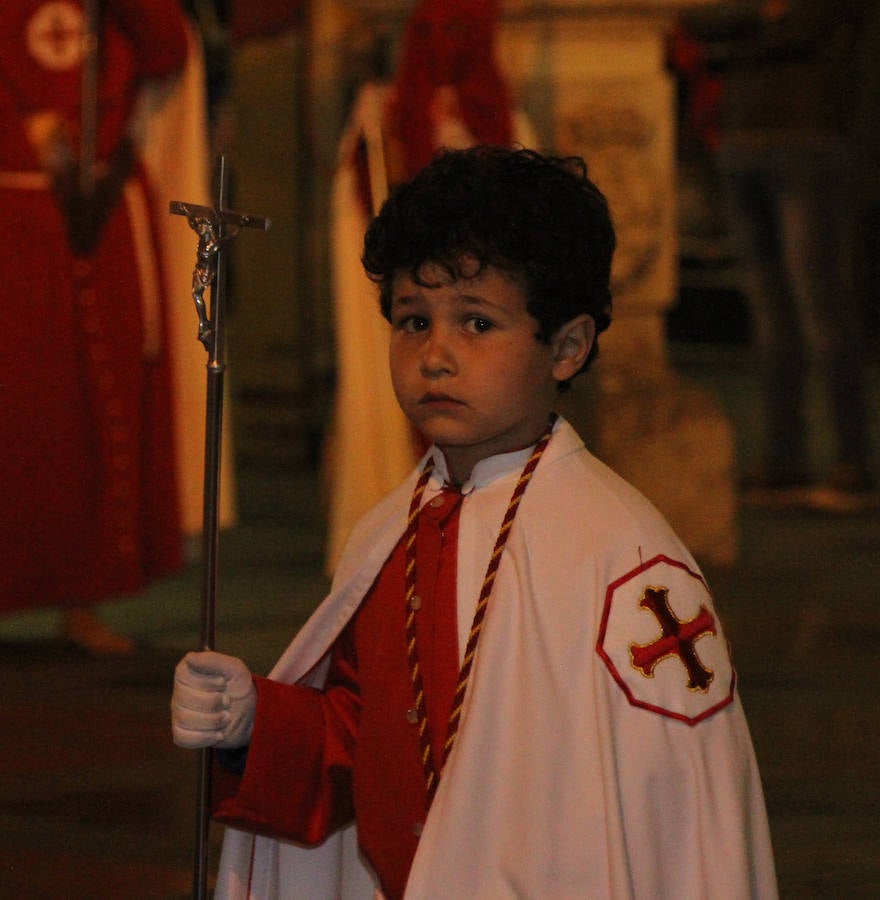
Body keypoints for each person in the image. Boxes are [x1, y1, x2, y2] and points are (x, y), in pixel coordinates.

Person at [172, 147, 777, 899]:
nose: (435, 356)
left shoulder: (622, 563)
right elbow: (364, 739)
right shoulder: (394, 530)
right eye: (411, 321)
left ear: (566, 347)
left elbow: (679, 821)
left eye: (478, 322)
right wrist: (258, 724)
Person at [0, 0, 189, 654]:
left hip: (101, 201)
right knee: (20, 407)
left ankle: (82, 600)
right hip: (15, 201)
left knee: (91, 405)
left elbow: (168, 49)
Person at [682, 0, 876, 512]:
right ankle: (783, 461)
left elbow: (803, 27)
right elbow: (696, 22)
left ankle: (852, 462)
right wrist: (755, 24)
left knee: (821, 306)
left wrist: (735, 38)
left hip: (810, 143)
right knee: (771, 314)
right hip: (745, 140)